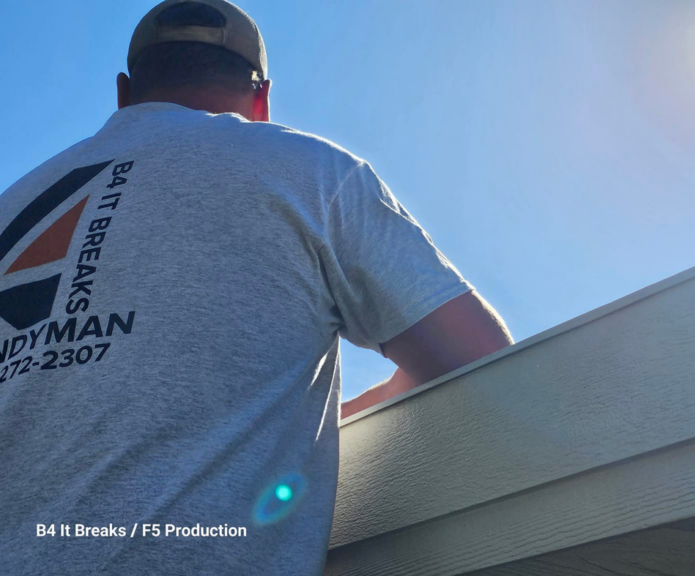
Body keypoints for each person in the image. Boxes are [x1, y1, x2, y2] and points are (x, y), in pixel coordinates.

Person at [0, 0, 513, 573]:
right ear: (262, 98)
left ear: (123, 93)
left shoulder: (11, 207)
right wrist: (333, 424)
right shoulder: (308, 171)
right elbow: (481, 356)